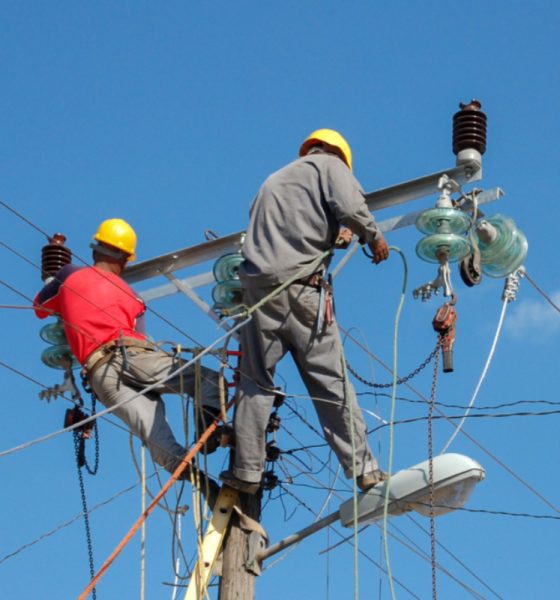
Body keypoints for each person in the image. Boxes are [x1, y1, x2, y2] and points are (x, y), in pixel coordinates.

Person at [220, 129, 389, 494]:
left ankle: (246, 472)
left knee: (255, 382)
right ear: (337, 154)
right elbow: (350, 205)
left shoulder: (273, 181)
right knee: (329, 382)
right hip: (302, 291)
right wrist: (372, 235)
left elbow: (284, 232)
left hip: (259, 294)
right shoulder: (329, 165)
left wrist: (330, 237)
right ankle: (364, 468)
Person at [34, 218, 222, 480]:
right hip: (132, 357)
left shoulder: (70, 276)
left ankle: (202, 484)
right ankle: (209, 434)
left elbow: (41, 306)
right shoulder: (136, 298)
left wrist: (53, 275)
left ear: (94, 250)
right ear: (126, 260)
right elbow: (141, 342)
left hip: (101, 377)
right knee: (209, 381)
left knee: (157, 441)